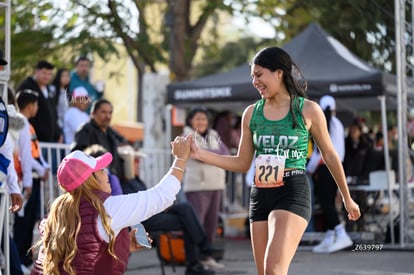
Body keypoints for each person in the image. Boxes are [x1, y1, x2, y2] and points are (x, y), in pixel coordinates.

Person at [189, 47, 360, 275]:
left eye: (259, 75)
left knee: (273, 270)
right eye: (252, 77)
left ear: (279, 73)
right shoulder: (251, 113)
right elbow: (242, 162)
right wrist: (200, 154)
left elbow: (329, 155)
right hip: (260, 194)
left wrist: (347, 198)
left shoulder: (307, 109)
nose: (254, 82)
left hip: (292, 190)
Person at [31, 135, 192, 275]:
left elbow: (75, 257)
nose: (106, 173)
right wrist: (180, 159)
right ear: (90, 179)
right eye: (100, 170)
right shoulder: (106, 207)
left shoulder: (56, 211)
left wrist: (123, 246)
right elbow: (162, 196)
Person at [122, 149, 222, 274]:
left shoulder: (136, 180)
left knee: (185, 208)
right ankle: (199, 255)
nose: (138, 164)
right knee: (187, 221)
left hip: (153, 211)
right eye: (135, 161)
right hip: (145, 218)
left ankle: (202, 250)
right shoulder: (123, 183)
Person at [307, 95, 354, 253]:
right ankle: (330, 236)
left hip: (325, 169)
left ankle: (341, 234)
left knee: (326, 203)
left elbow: (318, 153)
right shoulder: (337, 124)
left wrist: (310, 169)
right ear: (334, 108)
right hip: (335, 168)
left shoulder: (324, 123)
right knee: (328, 203)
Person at [182, 107, 229, 248]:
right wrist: (216, 154)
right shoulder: (186, 136)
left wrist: (206, 153)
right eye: (198, 119)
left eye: (204, 119)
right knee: (197, 223)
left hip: (216, 184)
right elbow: (198, 155)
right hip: (197, 186)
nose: (201, 122)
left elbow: (226, 153)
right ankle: (195, 258)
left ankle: (207, 256)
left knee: (212, 224)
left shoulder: (213, 134)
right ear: (191, 120)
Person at [13, 90, 50, 268]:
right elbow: (24, 155)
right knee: (23, 222)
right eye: (36, 104)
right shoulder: (20, 124)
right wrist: (29, 180)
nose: (37, 108)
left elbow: (36, 152)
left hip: (34, 178)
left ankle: (24, 259)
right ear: (30, 105)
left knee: (29, 223)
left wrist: (44, 166)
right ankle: (20, 259)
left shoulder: (28, 125)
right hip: (27, 180)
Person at [71, 99, 128, 181]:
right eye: (103, 112)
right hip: (95, 180)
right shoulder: (85, 130)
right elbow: (77, 154)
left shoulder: (110, 131)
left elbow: (124, 141)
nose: (107, 116)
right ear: (93, 114)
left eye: (110, 113)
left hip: (113, 178)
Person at [16, 61, 61, 143]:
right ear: (36, 71)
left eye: (50, 74)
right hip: (34, 138)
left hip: (51, 140)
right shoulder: (27, 86)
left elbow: (53, 113)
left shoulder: (49, 90)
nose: (47, 77)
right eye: (44, 73)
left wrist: (58, 133)